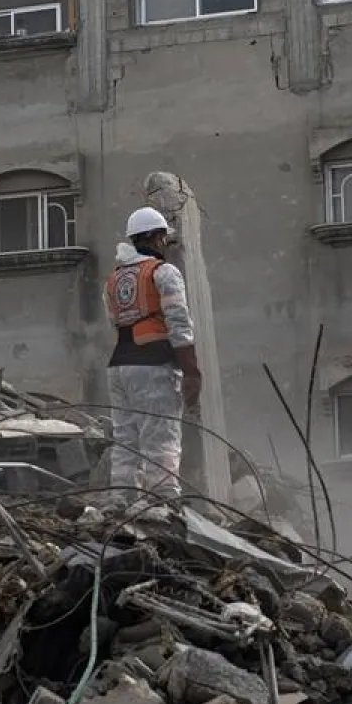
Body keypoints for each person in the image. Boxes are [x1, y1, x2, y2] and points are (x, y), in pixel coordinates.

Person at [103, 206, 202, 506]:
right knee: (161, 438)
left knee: (126, 441)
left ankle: (121, 502)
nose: (165, 245)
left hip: (119, 365)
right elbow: (179, 324)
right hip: (154, 364)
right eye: (164, 239)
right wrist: (192, 372)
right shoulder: (163, 273)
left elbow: (113, 321)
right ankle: (164, 506)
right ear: (157, 237)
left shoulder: (114, 278)